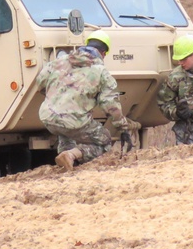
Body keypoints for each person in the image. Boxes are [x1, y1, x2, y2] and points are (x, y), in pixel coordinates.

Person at [35, 30, 140, 170]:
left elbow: (40, 82)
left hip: (48, 116)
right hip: (74, 120)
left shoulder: (58, 62)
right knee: (104, 141)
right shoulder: (100, 71)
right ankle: (72, 155)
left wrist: (57, 100)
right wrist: (123, 128)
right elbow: (110, 105)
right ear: (103, 53)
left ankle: (67, 163)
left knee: (66, 134)